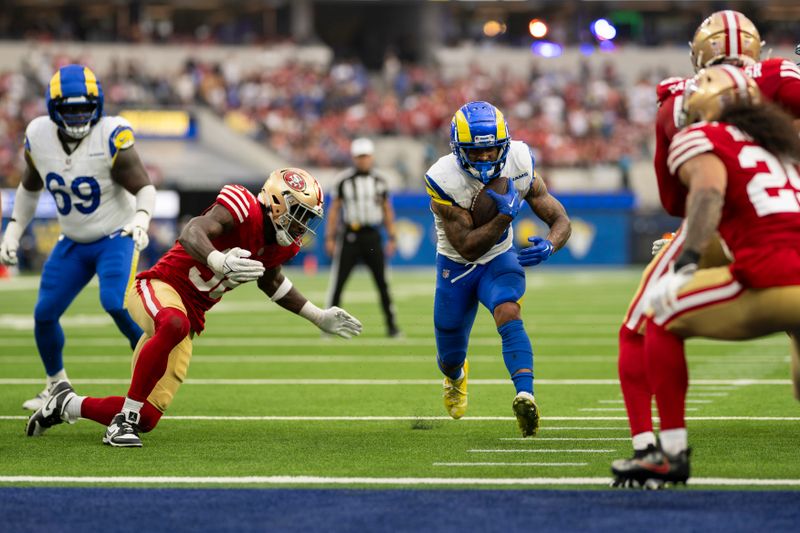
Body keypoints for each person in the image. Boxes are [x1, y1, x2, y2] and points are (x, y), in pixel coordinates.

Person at [25, 168, 363, 447]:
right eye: (300, 215)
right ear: (278, 202)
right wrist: (217, 258)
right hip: (159, 287)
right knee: (174, 325)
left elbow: (271, 282)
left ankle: (66, 404)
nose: (302, 226)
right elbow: (192, 232)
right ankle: (121, 423)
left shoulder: (280, 246)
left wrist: (318, 316)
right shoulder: (241, 205)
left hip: (189, 317)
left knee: (149, 416)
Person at [613, 11, 800, 485]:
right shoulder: (781, 88)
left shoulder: (687, 113)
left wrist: (688, 256)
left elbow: (691, 199)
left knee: (648, 320)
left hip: (742, 239)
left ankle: (660, 450)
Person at [0, 64, 153, 411]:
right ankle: (55, 386)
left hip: (116, 234)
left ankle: (150, 376)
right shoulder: (38, 134)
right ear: (54, 108)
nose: (79, 114)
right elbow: (29, 187)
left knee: (115, 302)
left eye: (85, 106)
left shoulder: (112, 134)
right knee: (44, 314)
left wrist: (141, 218)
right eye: (70, 108)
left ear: (98, 104)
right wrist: (12, 231)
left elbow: (144, 186)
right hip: (72, 240)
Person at [425, 101, 571, 437]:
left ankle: (525, 393)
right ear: (458, 151)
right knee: (449, 355)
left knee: (509, 309)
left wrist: (550, 244)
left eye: (492, 151)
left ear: (503, 146)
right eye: (476, 153)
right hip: (456, 267)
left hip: (499, 259)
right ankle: (456, 376)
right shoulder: (443, 179)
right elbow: (468, 246)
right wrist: (505, 216)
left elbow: (560, 218)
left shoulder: (520, 160)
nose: (486, 159)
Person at [325, 138, 400, 337]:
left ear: (371, 157)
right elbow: (334, 210)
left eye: (366, 156)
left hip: (372, 236)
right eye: (359, 156)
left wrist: (392, 236)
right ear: (354, 158)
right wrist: (330, 237)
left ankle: (392, 326)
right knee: (338, 282)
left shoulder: (380, 181)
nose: (363, 160)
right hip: (350, 235)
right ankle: (328, 325)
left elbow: (387, 210)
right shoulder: (343, 181)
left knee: (382, 283)